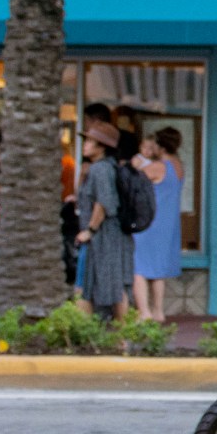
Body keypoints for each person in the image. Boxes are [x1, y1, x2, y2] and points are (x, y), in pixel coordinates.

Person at [74, 119, 134, 319]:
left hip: (103, 236)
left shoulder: (100, 169)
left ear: (102, 147)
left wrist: (89, 230)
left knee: (87, 286)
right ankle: (119, 335)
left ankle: (109, 335)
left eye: (90, 141)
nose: (86, 145)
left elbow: (104, 202)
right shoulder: (108, 167)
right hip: (110, 236)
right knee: (111, 284)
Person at [131, 127, 185, 322]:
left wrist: (135, 164)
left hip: (149, 222)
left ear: (160, 147)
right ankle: (158, 311)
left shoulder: (157, 167)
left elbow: (132, 180)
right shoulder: (178, 165)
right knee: (158, 271)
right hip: (168, 223)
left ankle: (144, 311)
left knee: (138, 267)